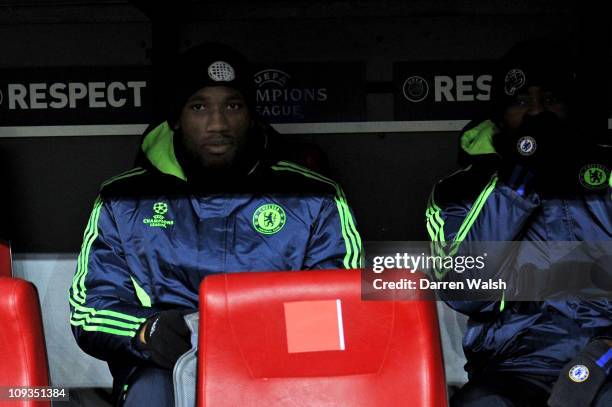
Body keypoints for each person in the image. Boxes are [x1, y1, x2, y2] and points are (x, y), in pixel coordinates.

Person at [68, 43, 363, 406]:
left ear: (251, 115)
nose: (218, 123)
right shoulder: (122, 199)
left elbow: (340, 307)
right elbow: (91, 309)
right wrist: (145, 330)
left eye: (233, 106)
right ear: (176, 117)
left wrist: (249, 340)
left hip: (280, 367)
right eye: (199, 106)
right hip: (163, 367)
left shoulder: (314, 195)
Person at [426, 39, 612, 406]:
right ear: (499, 112)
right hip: (513, 362)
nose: (536, 113)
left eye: (550, 100)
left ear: (571, 107)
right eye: (522, 101)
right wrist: (516, 184)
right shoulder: (459, 189)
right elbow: (465, 291)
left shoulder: (606, 173)